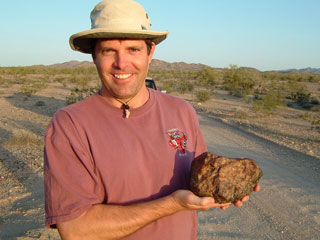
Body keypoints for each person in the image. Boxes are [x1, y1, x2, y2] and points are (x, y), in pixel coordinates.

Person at [44, 0, 259, 239]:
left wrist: (230, 184)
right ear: (94, 56)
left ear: (150, 52)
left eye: (133, 50)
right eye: (108, 51)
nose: (121, 63)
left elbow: (201, 180)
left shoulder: (181, 110)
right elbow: (76, 230)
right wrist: (173, 204)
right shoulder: (70, 124)